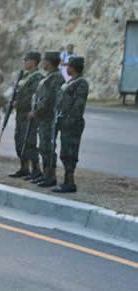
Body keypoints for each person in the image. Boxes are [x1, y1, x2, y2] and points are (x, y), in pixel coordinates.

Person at [51, 56, 88, 193]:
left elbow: (78, 107)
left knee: (70, 153)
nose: (66, 68)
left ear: (74, 67)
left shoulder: (81, 83)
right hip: (64, 122)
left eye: (69, 66)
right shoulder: (71, 81)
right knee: (65, 152)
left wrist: (68, 121)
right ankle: (66, 181)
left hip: (72, 124)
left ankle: (70, 183)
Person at [31, 51, 66, 188]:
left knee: (48, 148)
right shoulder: (50, 76)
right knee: (44, 147)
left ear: (50, 62)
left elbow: (50, 100)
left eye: (44, 60)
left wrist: (37, 111)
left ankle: (50, 177)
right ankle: (46, 175)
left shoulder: (56, 78)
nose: (42, 63)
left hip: (49, 118)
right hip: (43, 118)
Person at [8, 52, 44, 180]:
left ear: (33, 62)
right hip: (20, 114)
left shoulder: (37, 77)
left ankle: (36, 169)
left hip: (29, 114)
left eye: (26, 60)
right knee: (19, 140)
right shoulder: (24, 76)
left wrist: (20, 103)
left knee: (29, 142)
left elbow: (33, 96)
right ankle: (24, 168)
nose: (24, 62)